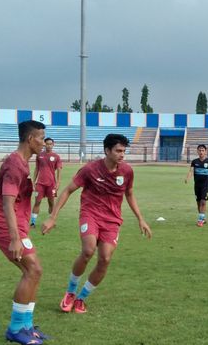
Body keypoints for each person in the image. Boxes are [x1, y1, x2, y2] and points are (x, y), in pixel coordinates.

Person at [41, 134, 152, 314]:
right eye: (118, 150)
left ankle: (81, 298)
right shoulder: (90, 169)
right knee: (88, 250)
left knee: (105, 259)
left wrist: (140, 218)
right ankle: (70, 292)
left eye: (124, 151)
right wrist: (53, 216)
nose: (122, 155)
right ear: (107, 150)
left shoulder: (127, 171)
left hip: (112, 220)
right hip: (90, 214)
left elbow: (129, 194)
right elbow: (68, 190)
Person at [0, 120, 47, 345]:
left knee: (34, 271)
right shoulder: (15, 164)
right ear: (31, 139)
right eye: (41, 138)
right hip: (4, 224)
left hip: (18, 224)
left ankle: (26, 326)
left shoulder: (22, 162)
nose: (43, 142)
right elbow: (7, 202)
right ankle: (15, 328)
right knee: (33, 269)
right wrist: (14, 238)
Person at [185, 144, 208, 226]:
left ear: (205, 151)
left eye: (203, 150)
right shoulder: (194, 162)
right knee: (198, 202)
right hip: (197, 185)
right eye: (200, 150)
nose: (201, 152)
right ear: (197, 151)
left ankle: (200, 220)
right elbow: (191, 171)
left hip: (206, 185)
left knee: (203, 202)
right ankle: (203, 218)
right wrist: (187, 178)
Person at [31, 137, 63, 227]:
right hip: (40, 183)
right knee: (37, 202)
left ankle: (51, 222)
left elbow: (59, 170)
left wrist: (58, 183)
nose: (49, 145)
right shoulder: (39, 155)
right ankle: (33, 222)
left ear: (53, 144)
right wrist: (33, 181)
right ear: (44, 144)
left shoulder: (56, 157)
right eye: (47, 144)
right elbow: (36, 169)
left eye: (50, 144)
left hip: (51, 184)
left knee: (51, 203)